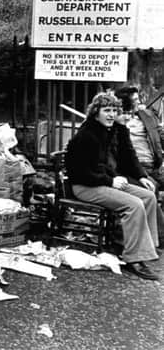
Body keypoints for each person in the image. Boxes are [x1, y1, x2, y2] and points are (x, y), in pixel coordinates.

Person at [65, 92, 160, 280]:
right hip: (86, 186)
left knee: (148, 197)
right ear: (95, 113)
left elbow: (129, 157)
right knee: (134, 205)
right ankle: (135, 259)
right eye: (106, 110)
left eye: (114, 110)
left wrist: (141, 176)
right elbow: (79, 172)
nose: (111, 114)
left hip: (105, 181)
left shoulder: (115, 130)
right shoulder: (86, 135)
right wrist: (110, 181)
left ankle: (145, 249)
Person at [115, 86, 164, 245]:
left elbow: (159, 135)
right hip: (134, 167)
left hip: (154, 164)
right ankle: (158, 237)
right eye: (135, 100)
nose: (139, 102)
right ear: (125, 103)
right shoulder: (116, 121)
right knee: (151, 188)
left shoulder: (146, 116)